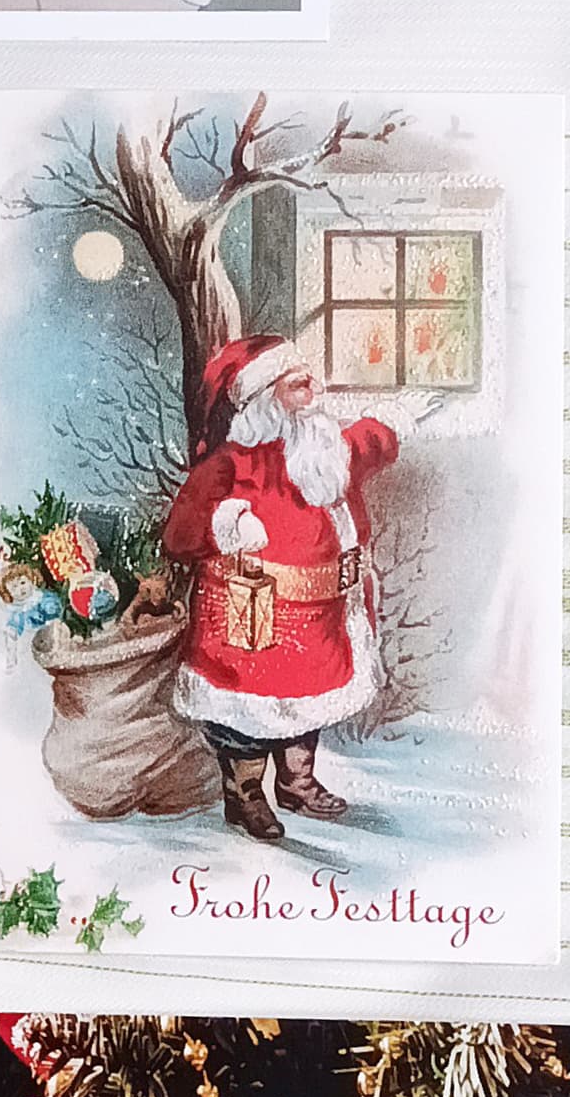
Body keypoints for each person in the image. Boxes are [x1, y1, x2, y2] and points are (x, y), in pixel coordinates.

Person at [161, 334, 399, 843]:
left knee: (310, 701)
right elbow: (179, 534)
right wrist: (226, 524)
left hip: (321, 616)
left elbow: (366, 446)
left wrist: (394, 421)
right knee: (246, 717)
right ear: (265, 398)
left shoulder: (324, 447)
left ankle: (296, 782)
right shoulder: (232, 464)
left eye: (308, 377)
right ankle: (244, 794)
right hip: (252, 621)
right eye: (295, 383)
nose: (311, 386)